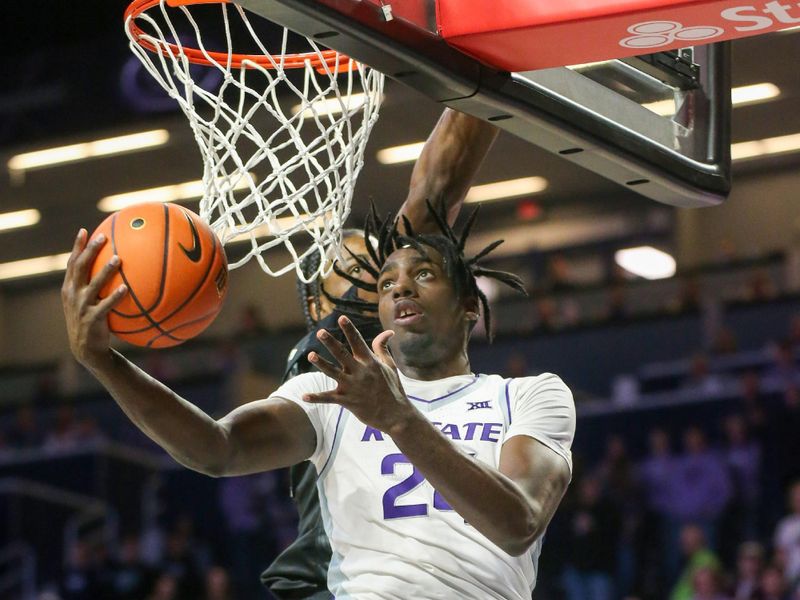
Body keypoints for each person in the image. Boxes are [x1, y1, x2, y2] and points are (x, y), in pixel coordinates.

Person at [62, 201, 575, 598]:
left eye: (423, 275)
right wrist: (104, 363)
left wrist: (399, 419)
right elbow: (218, 448)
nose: (401, 289)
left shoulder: (529, 395)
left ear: (469, 304)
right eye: (386, 283)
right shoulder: (331, 388)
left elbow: (518, 523)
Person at [264, 107, 499, 600]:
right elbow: (437, 185)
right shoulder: (346, 335)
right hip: (333, 581)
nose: (375, 259)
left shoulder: (379, 336)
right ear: (319, 300)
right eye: (353, 255)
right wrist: (486, 78)